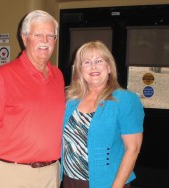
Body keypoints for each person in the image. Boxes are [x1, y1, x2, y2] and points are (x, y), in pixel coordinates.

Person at [0, 10, 65, 188]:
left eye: (51, 35)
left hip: (51, 173)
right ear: (24, 38)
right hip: (12, 174)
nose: (45, 41)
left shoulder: (58, 75)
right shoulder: (2, 76)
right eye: (38, 34)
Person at [61, 40, 144, 188]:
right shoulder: (70, 99)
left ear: (109, 67)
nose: (93, 66)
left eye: (99, 61)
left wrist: (116, 186)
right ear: (79, 69)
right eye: (86, 62)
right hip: (70, 179)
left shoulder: (125, 99)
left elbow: (133, 149)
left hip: (107, 182)